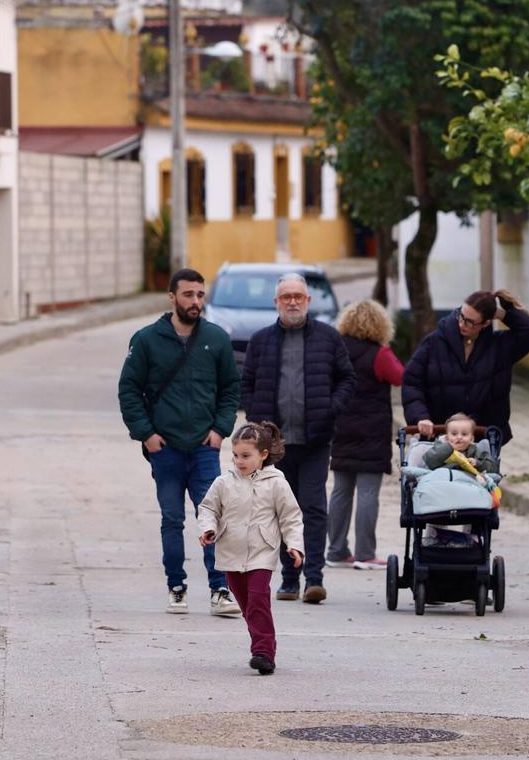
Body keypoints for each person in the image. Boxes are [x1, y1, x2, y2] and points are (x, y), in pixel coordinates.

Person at [118, 268, 243, 617]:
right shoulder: (146, 340)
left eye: (200, 295)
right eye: (188, 295)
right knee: (172, 520)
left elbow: (231, 389)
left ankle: (220, 589)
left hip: (204, 449)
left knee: (212, 520)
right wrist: (146, 433)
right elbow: (128, 389)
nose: (195, 301)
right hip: (166, 449)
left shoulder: (216, 339)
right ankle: (176, 586)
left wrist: (221, 430)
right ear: (172, 297)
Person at [241, 272, 356, 604]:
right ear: (276, 302)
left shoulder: (328, 338)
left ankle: (314, 578)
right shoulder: (261, 340)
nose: (292, 301)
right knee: (280, 511)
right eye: (286, 297)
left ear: (308, 301)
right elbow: (246, 382)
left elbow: (347, 379)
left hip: (315, 440)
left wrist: (330, 409)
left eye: (298, 296)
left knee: (314, 508)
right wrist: (255, 416)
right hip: (274, 447)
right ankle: (289, 579)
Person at [198, 422, 304, 675]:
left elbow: (291, 516)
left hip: (261, 552)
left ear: (263, 455)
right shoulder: (224, 482)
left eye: (246, 456)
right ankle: (262, 641)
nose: (239, 461)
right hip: (230, 552)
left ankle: (263, 652)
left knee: (258, 600)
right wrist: (208, 529)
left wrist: (295, 545)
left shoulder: (277, 483)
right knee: (247, 606)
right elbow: (209, 508)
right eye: (235, 455)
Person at [403, 289, 529, 447]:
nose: (462, 324)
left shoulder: (500, 347)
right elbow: (412, 383)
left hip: (482, 440)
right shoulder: (433, 343)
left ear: (486, 323)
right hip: (440, 437)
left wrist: (501, 313)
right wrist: (420, 417)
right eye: (461, 316)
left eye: (470, 322)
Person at [326, 299, 404, 571]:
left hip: (341, 428)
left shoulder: (337, 350)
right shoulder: (379, 354)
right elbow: (400, 377)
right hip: (372, 430)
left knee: (340, 490)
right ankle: (365, 553)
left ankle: (335, 551)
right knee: (368, 492)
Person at [423, 412, 498, 478]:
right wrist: (448, 448)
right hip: (443, 480)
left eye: (464, 434)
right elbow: (429, 461)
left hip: (469, 483)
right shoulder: (440, 447)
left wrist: (477, 463)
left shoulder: (476, 451)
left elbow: (492, 468)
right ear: (447, 438)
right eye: (454, 434)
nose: (459, 437)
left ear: (471, 439)